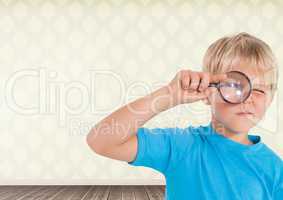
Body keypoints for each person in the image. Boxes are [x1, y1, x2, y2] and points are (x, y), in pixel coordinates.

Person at [86, 32, 282, 199]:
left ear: (270, 100)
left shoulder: (274, 168)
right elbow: (101, 140)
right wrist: (168, 95)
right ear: (208, 92)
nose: (248, 98)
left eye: (260, 91)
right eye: (234, 86)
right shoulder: (182, 145)